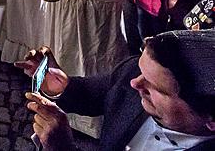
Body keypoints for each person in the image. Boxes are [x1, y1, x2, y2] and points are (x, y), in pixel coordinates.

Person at [16, 31, 215, 151]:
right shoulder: (134, 73)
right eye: (141, 70)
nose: (135, 83)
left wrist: (63, 148)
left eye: (156, 88)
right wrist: (64, 87)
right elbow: (97, 94)